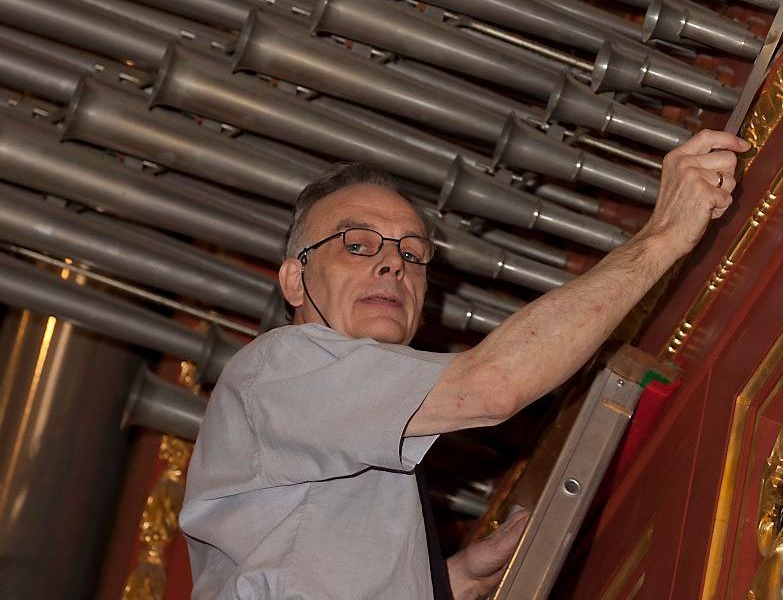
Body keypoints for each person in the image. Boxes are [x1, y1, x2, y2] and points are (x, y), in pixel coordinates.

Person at [180, 130, 749, 599]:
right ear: (293, 278)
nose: (391, 265)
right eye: (357, 244)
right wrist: (664, 234)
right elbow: (493, 386)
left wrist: (448, 581)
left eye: (410, 253)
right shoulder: (281, 365)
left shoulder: (351, 416)